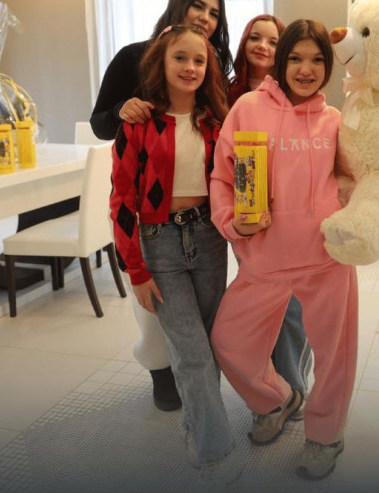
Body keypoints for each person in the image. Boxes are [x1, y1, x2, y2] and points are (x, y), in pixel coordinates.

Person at [209, 19, 358, 480]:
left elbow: (353, 179)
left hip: (326, 257)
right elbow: (222, 176)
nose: (305, 69)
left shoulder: (335, 120)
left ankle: (326, 436)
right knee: (229, 341)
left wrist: (350, 207)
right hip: (265, 256)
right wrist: (231, 221)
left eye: (316, 60)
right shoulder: (248, 108)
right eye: (295, 58)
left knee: (335, 353)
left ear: (328, 66)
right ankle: (278, 398)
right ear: (281, 61)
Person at [90, 0, 231, 412]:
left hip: (205, 229)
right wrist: (122, 111)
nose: (205, 17)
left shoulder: (212, 92)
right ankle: (163, 375)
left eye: (214, 13)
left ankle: (201, 407)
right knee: (156, 322)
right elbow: (100, 122)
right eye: (198, 6)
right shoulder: (134, 57)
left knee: (202, 331)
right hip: (148, 218)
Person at [109, 25, 240, 489]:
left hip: (208, 238)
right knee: (189, 352)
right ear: (161, 63)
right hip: (158, 241)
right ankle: (213, 449)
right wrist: (135, 270)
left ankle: (199, 425)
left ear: (209, 69)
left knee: (208, 345)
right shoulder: (138, 124)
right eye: (180, 58)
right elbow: (121, 201)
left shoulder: (218, 124)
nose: (190, 67)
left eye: (199, 60)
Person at [227, 14, 314, 406]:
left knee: (292, 308)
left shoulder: (297, 95)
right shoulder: (226, 95)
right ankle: (269, 388)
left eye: (273, 41)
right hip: (244, 217)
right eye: (255, 38)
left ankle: (293, 385)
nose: (263, 46)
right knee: (259, 308)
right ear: (243, 42)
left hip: (290, 222)